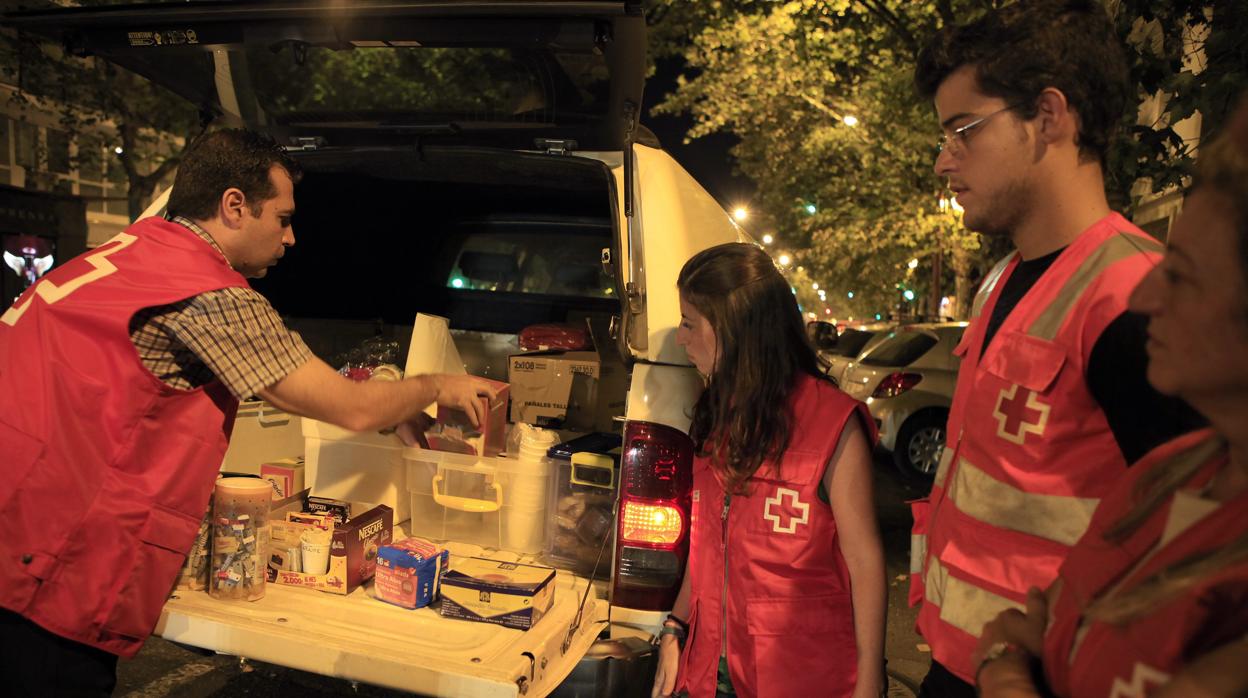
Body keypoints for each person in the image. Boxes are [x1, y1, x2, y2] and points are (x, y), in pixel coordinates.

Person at [0, 128, 495, 695]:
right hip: (47, 575)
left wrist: (394, 406)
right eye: (282, 218)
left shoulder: (119, 258)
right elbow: (350, 409)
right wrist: (438, 384)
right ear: (234, 206)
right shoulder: (206, 291)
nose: (291, 238)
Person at [908, 2, 1206, 695]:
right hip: (966, 662)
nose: (942, 160)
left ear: (1048, 117)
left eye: (962, 131)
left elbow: (1191, 555)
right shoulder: (1001, 282)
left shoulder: (1138, 300)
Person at [971, 97, 1248, 698]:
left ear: (1048, 119)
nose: (1147, 297)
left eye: (1183, 274)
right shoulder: (1166, 476)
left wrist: (1003, 671)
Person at [651, 242, 886, 698]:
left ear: (734, 329)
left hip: (802, 674)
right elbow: (706, 545)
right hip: (710, 669)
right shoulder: (716, 413)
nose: (681, 337)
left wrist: (870, 681)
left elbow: (865, 561)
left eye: (689, 322)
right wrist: (674, 629)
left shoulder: (833, 423)